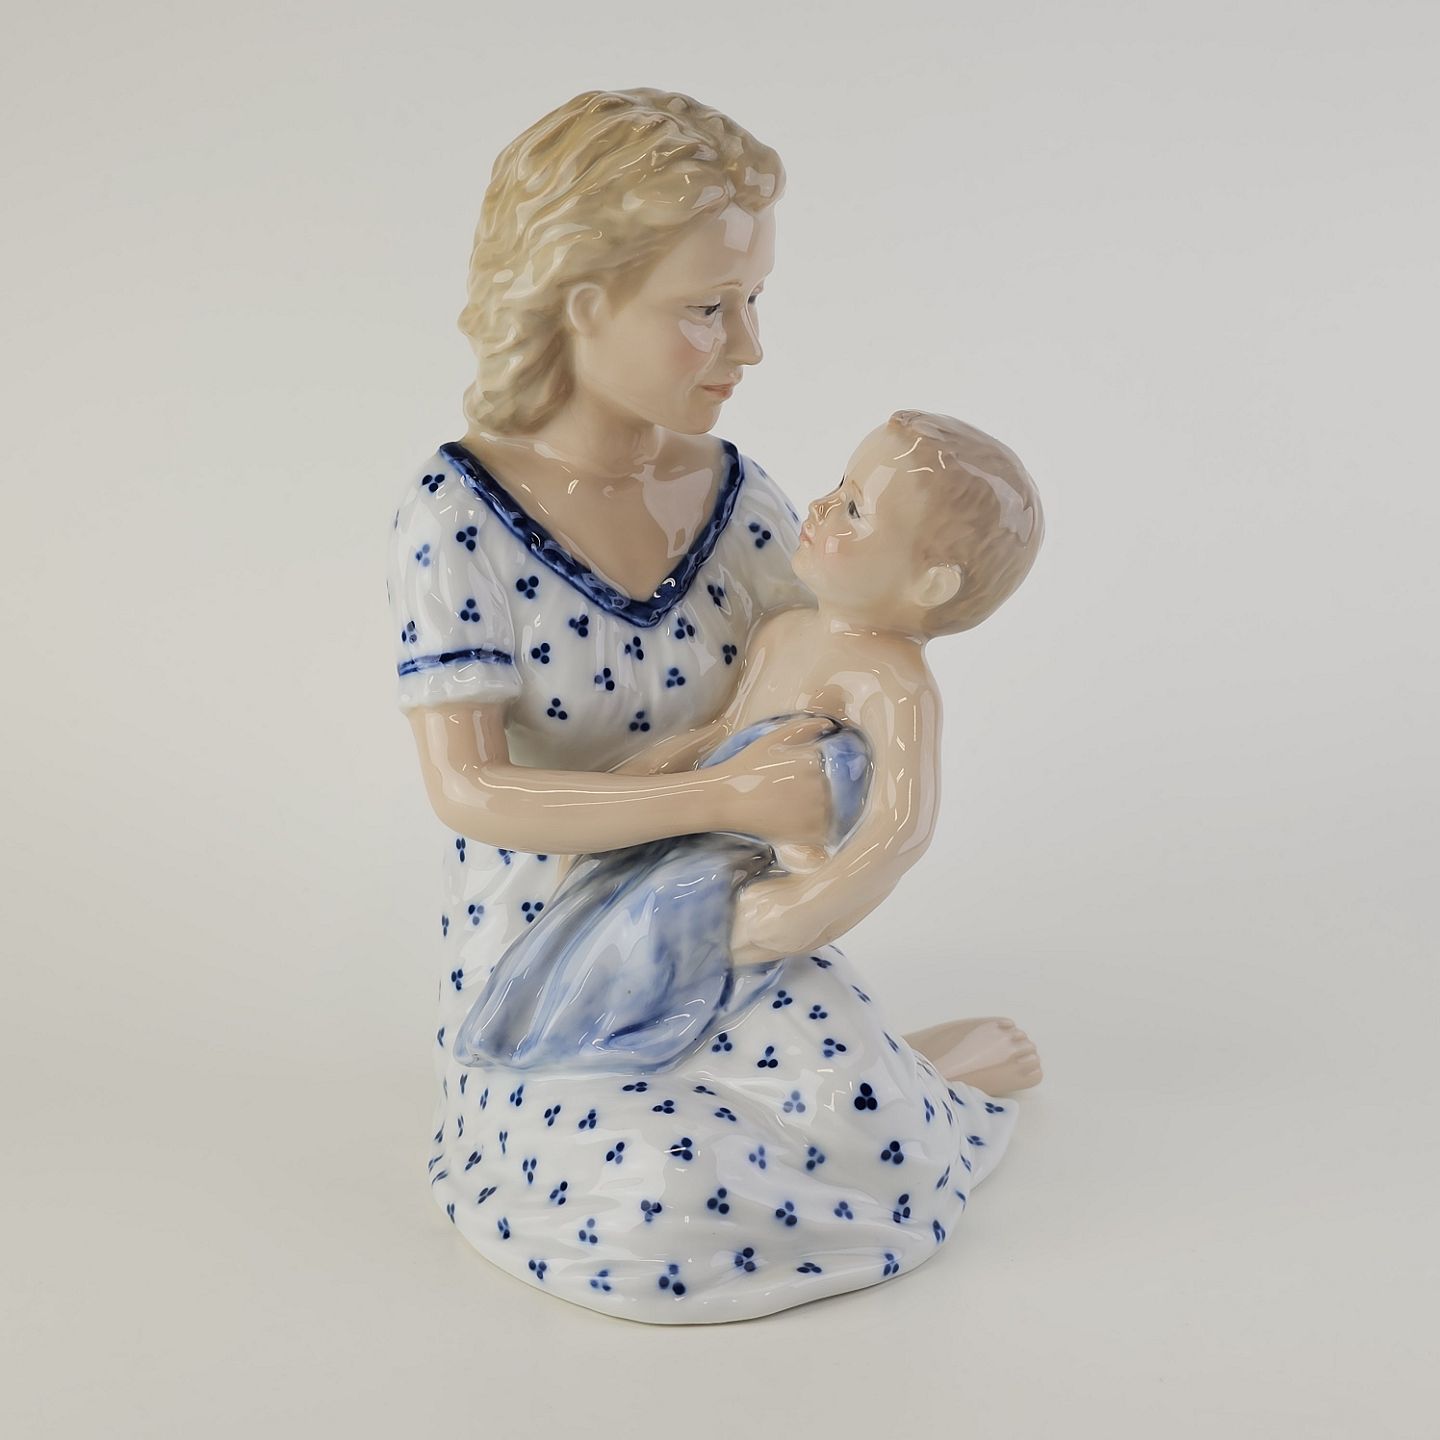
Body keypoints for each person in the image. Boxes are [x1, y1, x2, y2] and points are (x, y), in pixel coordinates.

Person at [387, 88, 1038, 1323]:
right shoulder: (458, 517)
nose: (749, 348)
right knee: (656, 1205)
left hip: (735, 928)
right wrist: (721, 793)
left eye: (754, 301)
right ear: (582, 301)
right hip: (553, 955)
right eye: (708, 308)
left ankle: (919, 1080)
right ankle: (912, 1073)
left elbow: (855, 666)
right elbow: (469, 789)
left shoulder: (741, 501)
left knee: (863, 1121)